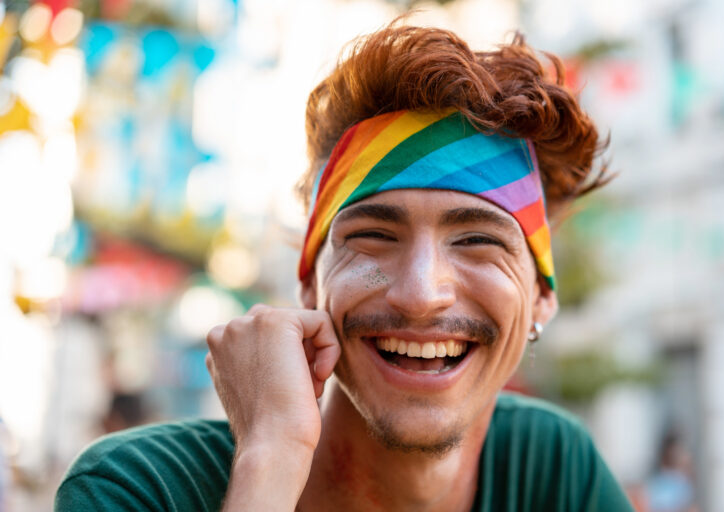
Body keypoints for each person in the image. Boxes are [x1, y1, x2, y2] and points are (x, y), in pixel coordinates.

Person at [55, 22, 635, 511]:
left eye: (478, 241)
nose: (420, 293)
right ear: (309, 283)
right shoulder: (139, 488)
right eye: (375, 237)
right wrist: (271, 461)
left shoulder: (555, 470)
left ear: (540, 297)